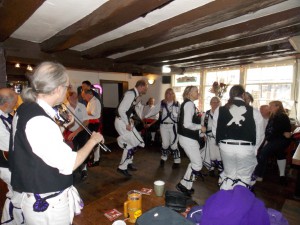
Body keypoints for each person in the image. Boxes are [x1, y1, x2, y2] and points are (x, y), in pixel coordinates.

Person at [9, 61, 103, 225]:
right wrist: (92, 141)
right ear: (57, 88)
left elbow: (43, 147)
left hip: (37, 192)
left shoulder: (26, 108)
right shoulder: (39, 120)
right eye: (67, 87)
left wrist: (62, 125)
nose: (69, 91)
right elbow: (69, 163)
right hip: (48, 203)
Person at [212, 85, 264, 190]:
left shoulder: (220, 110)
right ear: (243, 95)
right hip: (245, 147)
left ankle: (225, 201)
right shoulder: (254, 111)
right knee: (244, 177)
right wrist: (255, 148)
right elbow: (260, 133)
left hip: (226, 146)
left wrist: (222, 144)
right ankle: (240, 203)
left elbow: (215, 130)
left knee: (229, 175)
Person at [176, 86, 206, 196]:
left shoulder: (188, 104)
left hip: (187, 137)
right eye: (196, 91)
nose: (198, 92)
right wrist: (200, 127)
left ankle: (186, 186)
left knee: (194, 162)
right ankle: (184, 184)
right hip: (187, 138)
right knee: (198, 164)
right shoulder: (188, 104)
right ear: (189, 93)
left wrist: (201, 133)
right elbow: (187, 124)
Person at [0, 88, 24, 225]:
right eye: (14, 103)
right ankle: (11, 221)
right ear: (6, 104)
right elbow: (10, 146)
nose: (15, 105)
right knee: (17, 193)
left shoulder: (6, 114)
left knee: (16, 193)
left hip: (10, 162)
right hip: (5, 165)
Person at [115, 80, 147, 177]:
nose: (146, 89)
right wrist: (127, 123)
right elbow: (121, 110)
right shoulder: (131, 94)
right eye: (146, 87)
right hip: (122, 122)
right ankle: (122, 167)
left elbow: (128, 109)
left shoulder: (134, 94)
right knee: (131, 144)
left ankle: (128, 163)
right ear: (141, 86)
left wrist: (130, 118)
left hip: (125, 121)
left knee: (134, 143)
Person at [254, 101, 291, 185]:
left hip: (280, 140)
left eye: (271, 106)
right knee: (280, 153)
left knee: (263, 153)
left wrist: (267, 140)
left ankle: (259, 175)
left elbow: (277, 130)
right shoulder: (274, 115)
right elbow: (271, 130)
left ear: (277, 106)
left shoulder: (282, 116)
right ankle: (282, 176)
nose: (269, 107)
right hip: (277, 139)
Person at [145, 88, 181, 168]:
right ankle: (164, 157)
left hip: (173, 126)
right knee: (165, 144)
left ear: (174, 95)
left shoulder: (177, 104)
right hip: (163, 126)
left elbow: (181, 115)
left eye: (172, 93)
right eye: (168, 93)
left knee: (174, 145)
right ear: (166, 94)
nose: (170, 95)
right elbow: (154, 110)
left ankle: (177, 161)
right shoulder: (162, 103)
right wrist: (147, 116)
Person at [64, 91, 90, 180]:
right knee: (72, 151)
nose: (75, 99)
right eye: (72, 98)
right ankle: (73, 169)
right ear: (68, 98)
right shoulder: (65, 107)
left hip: (81, 131)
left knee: (84, 149)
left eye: (76, 97)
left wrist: (76, 132)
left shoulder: (82, 106)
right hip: (70, 133)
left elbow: (86, 121)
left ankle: (84, 168)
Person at [201, 96, 222, 177]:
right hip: (209, 137)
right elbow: (202, 125)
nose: (215, 104)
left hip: (220, 138)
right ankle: (212, 170)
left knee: (220, 155)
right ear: (210, 103)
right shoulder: (206, 114)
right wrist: (203, 135)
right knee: (212, 154)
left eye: (217, 102)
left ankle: (220, 170)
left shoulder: (222, 113)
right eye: (213, 102)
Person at [81, 89, 102, 167]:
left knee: (95, 141)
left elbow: (94, 113)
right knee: (92, 141)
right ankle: (94, 158)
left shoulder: (95, 101)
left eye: (84, 96)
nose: (83, 98)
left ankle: (96, 159)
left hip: (94, 123)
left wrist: (84, 111)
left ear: (88, 94)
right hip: (91, 123)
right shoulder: (90, 101)